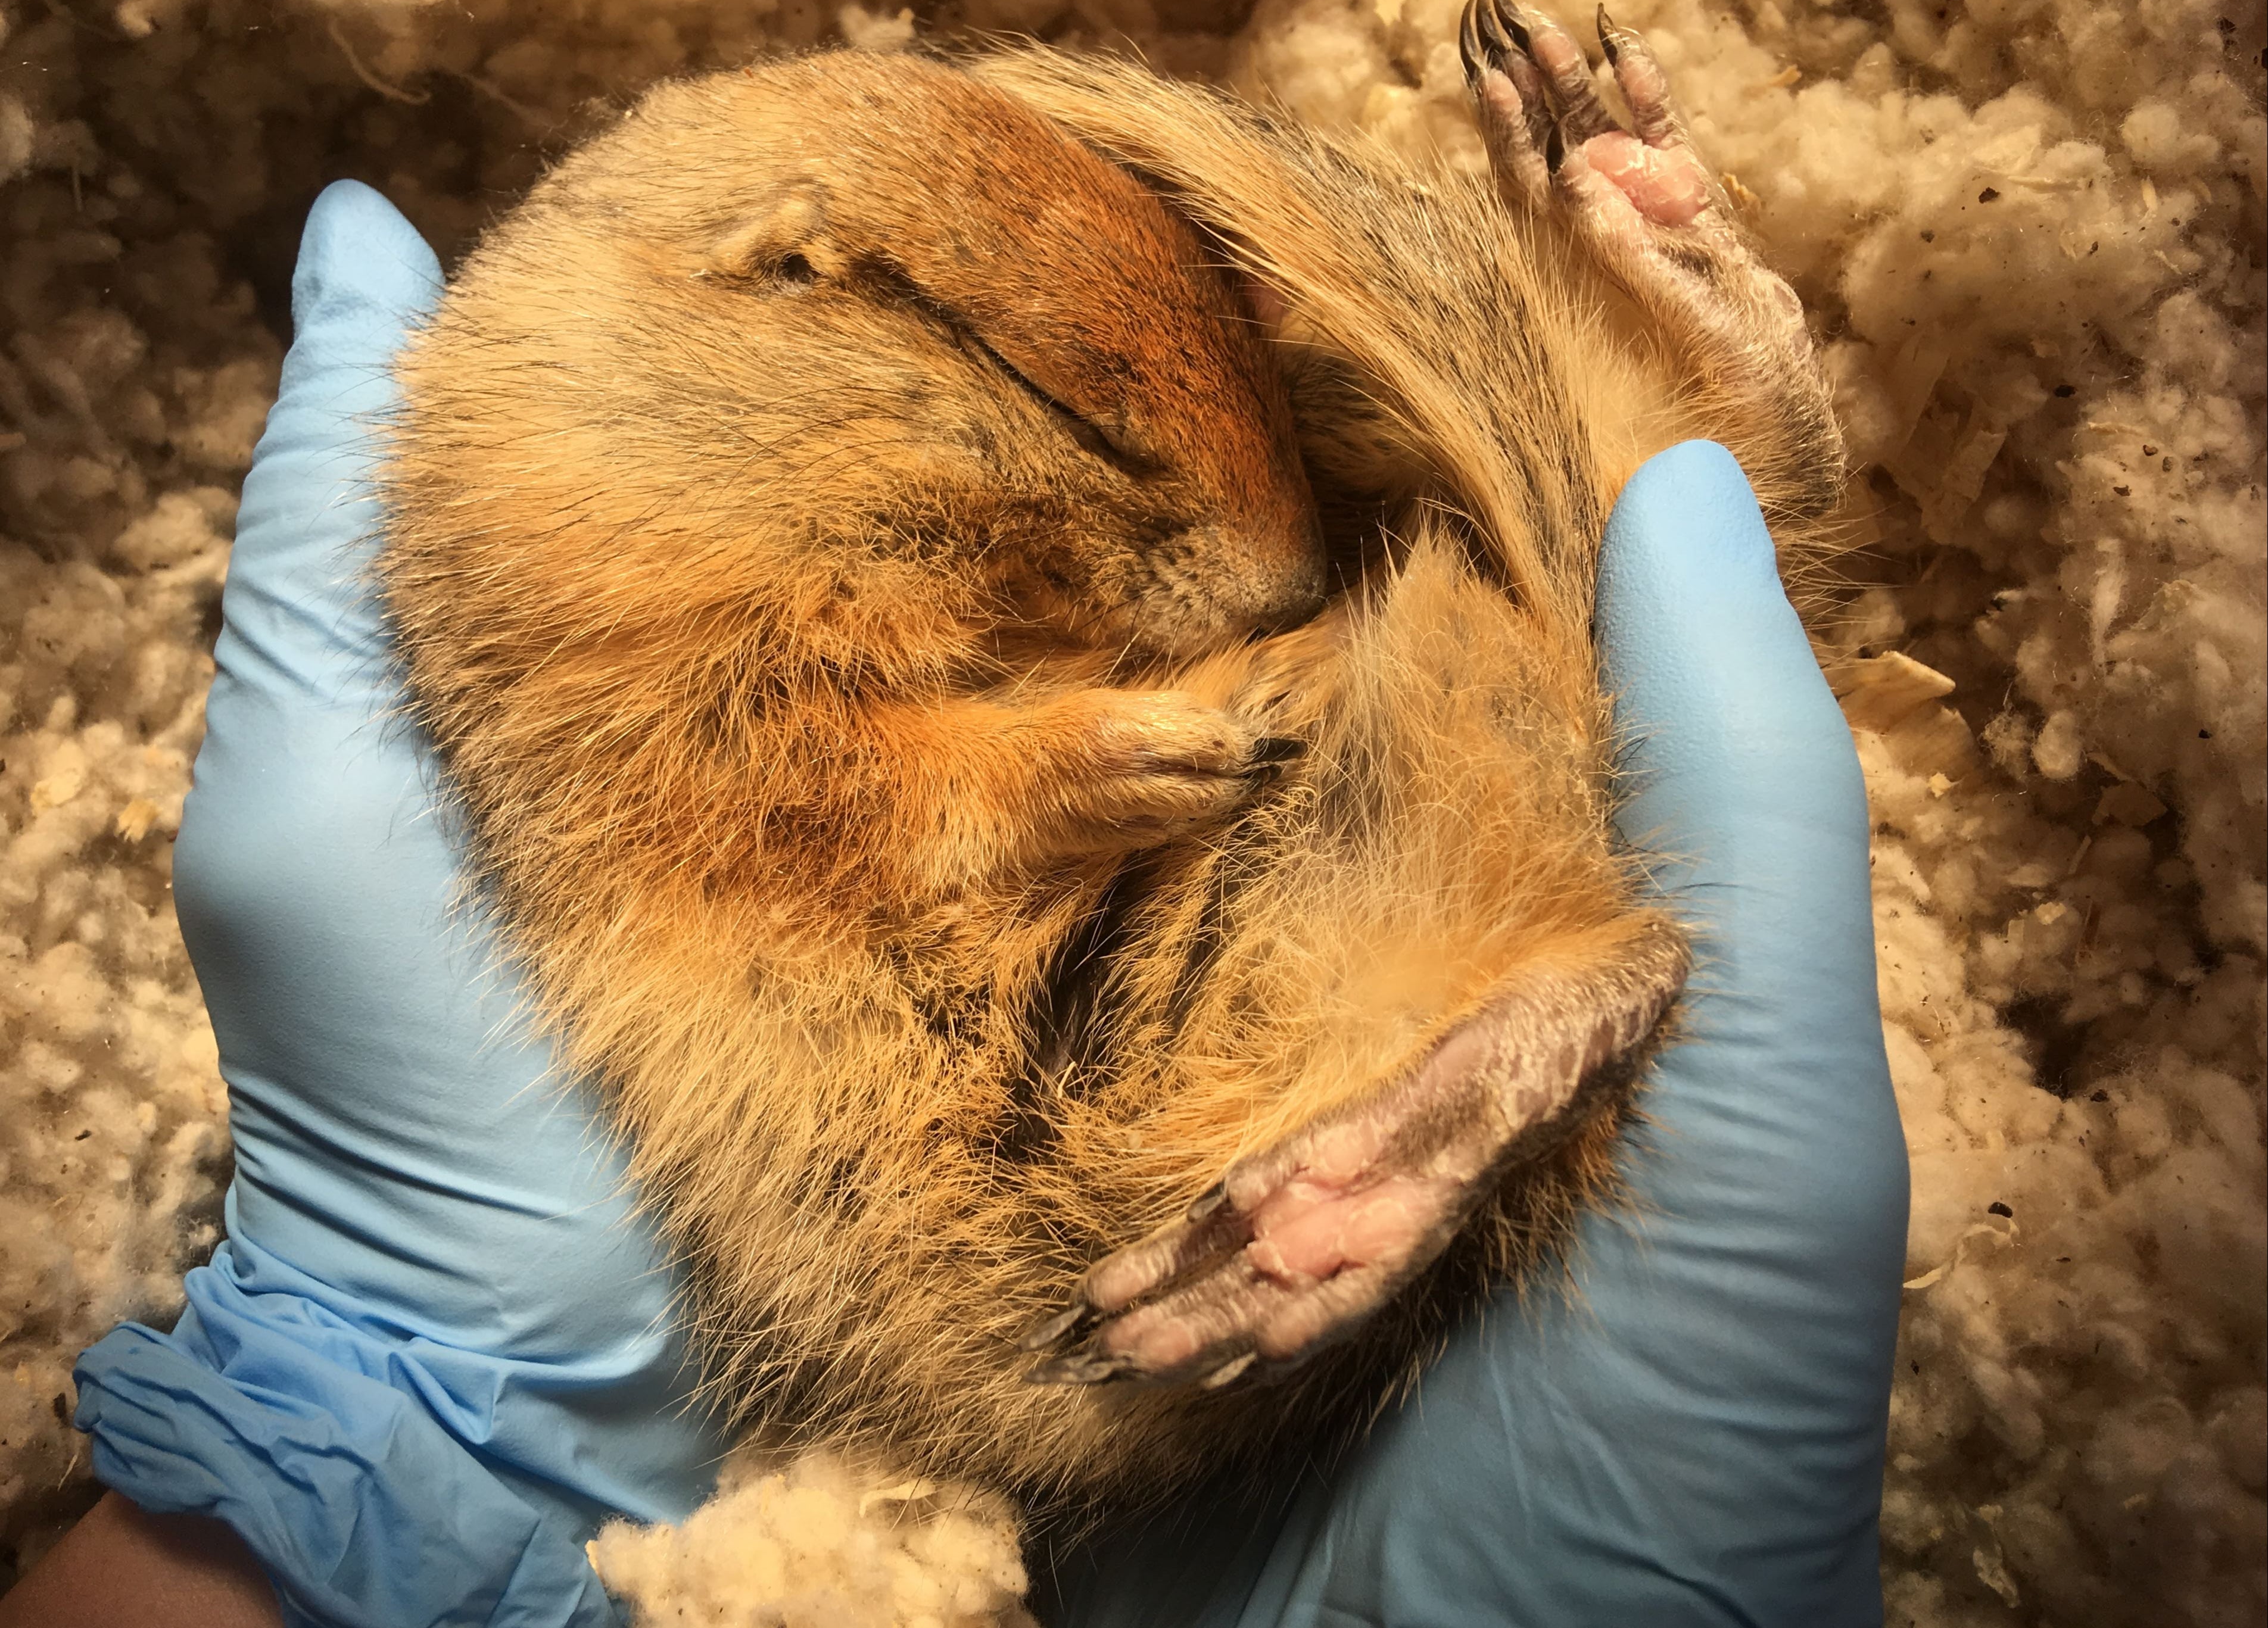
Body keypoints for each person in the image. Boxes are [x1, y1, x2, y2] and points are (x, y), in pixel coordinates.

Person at [3, 183, 1907, 1628]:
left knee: (1590, 748)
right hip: (1009, 1215)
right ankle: (1487, 1057)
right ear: (788, 280)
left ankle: (1516, 1013)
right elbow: (752, 815)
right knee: (1569, 816)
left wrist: (362, 1443)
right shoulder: (618, 465)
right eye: (1084, 423)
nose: (1236, 550)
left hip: (1247, 1043)